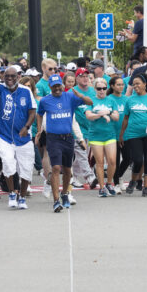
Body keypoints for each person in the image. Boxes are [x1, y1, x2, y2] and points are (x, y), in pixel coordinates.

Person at [36, 74, 92, 212]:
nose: (57, 88)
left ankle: (65, 194)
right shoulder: (45, 100)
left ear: (62, 85)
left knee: (67, 170)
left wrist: (80, 95)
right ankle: (56, 201)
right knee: (55, 168)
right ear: (50, 87)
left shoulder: (70, 97)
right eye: (54, 86)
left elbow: (90, 102)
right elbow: (39, 113)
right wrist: (39, 130)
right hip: (53, 138)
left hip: (68, 138)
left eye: (58, 86)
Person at [0, 62, 37, 209]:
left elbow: (32, 111)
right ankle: (12, 194)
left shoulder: (26, 91)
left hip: (23, 138)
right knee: (8, 164)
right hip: (4, 137)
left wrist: (27, 127)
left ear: (18, 77)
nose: (9, 78)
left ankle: (22, 197)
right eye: (6, 76)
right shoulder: (0, 89)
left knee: (27, 169)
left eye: (12, 76)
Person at [118, 74, 147, 197]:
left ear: (145, 84)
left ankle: (146, 187)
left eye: (138, 83)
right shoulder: (129, 100)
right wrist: (121, 135)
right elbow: (126, 118)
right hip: (133, 134)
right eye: (134, 84)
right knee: (137, 159)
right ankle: (133, 180)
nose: (135, 86)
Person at [84, 77, 119, 197]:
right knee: (99, 163)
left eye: (104, 88)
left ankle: (109, 183)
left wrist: (108, 113)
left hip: (110, 135)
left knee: (112, 161)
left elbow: (116, 116)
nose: (102, 91)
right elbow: (89, 116)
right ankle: (102, 187)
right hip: (95, 135)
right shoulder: (91, 101)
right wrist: (100, 114)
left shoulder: (111, 101)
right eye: (99, 88)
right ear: (95, 89)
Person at [71, 68, 97, 189]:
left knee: (83, 154)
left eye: (87, 75)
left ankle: (73, 177)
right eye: (82, 76)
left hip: (91, 127)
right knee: (81, 152)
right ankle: (90, 177)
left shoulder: (93, 91)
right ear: (77, 78)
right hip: (77, 129)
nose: (85, 78)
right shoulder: (72, 92)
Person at [107, 75, 128, 194]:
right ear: (112, 86)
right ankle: (115, 184)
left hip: (125, 133)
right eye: (118, 84)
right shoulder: (109, 99)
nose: (121, 86)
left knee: (128, 157)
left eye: (122, 84)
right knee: (114, 160)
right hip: (112, 134)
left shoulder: (126, 99)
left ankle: (119, 176)